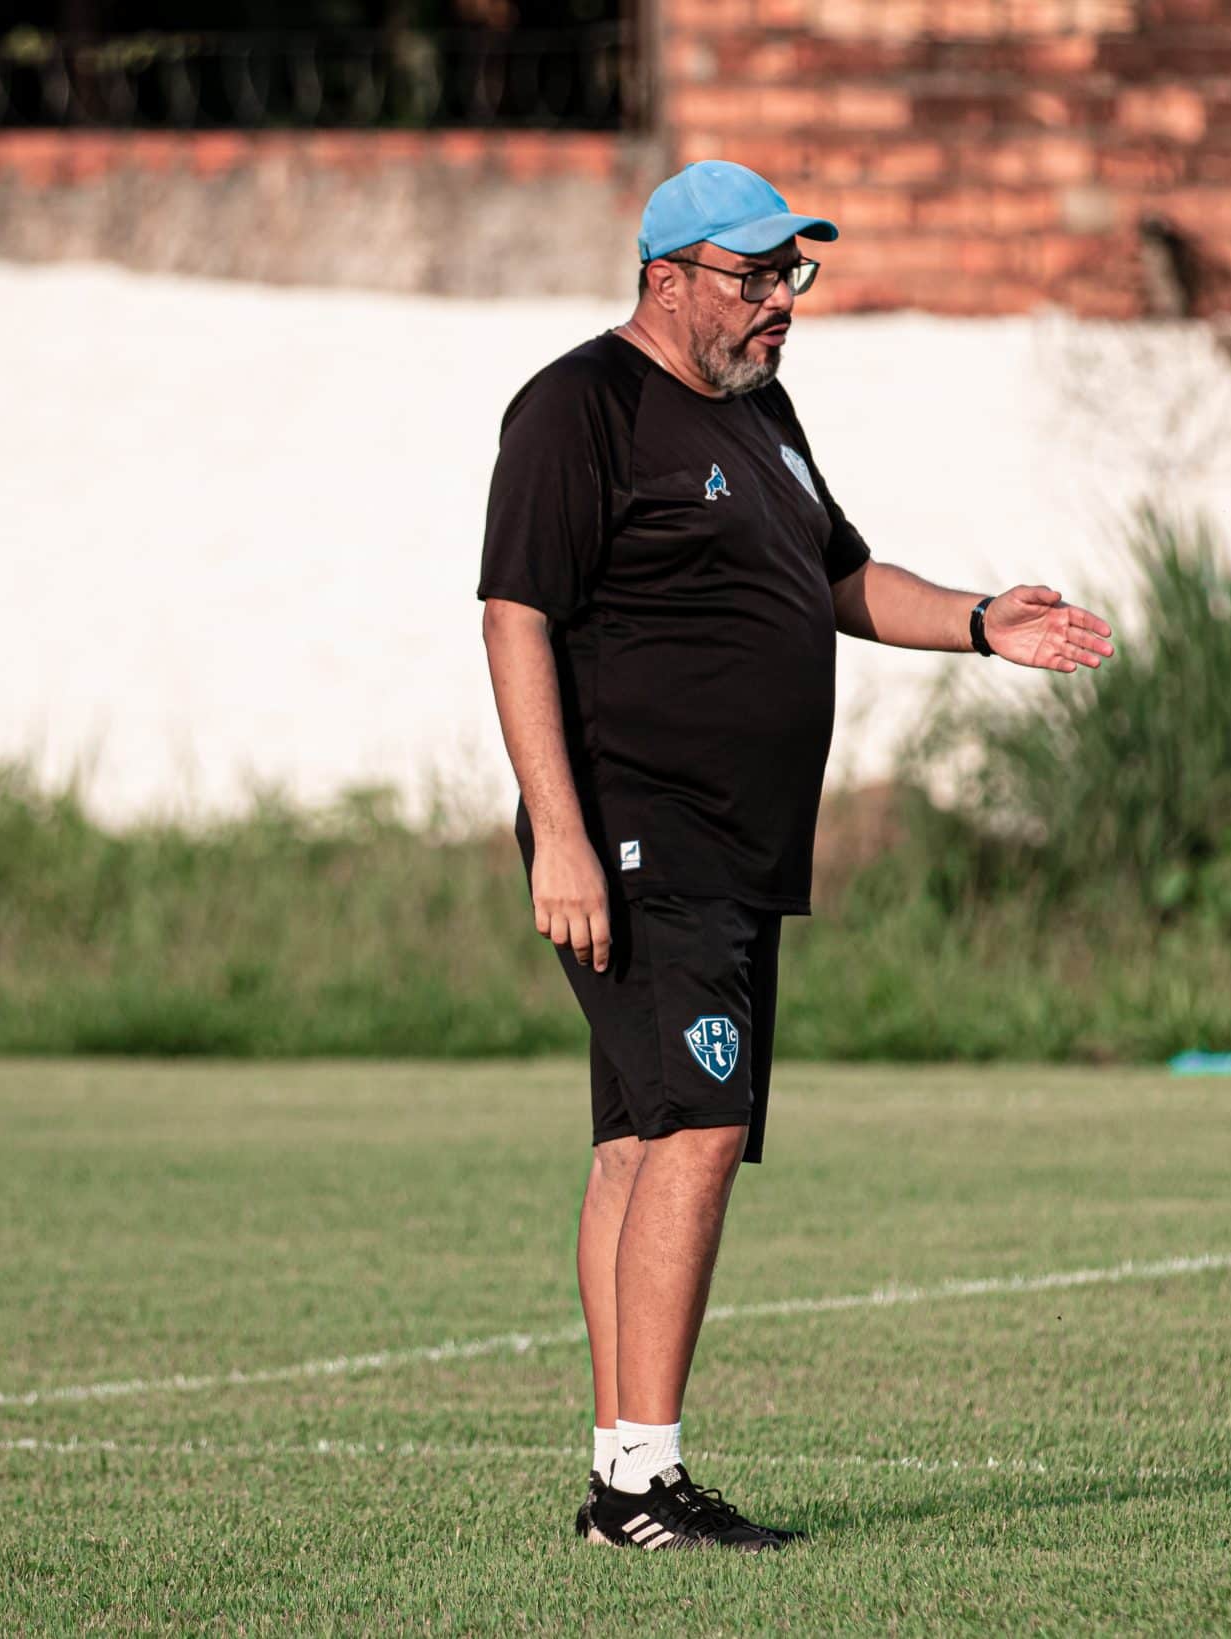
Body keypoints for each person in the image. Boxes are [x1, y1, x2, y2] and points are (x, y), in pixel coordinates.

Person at [477, 160, 1115, 1548]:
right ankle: (640, 1482)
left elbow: (837, 578)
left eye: (792, 276)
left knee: (641, 1139)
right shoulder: (577, 405)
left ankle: (621, 1472)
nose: (781, 303)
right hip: (637, 834)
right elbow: (515, 616)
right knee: (695, 1127)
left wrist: (978, 619)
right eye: (755, 277)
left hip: (736, 845)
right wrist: (565, 838)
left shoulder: (765, 417)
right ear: (667, 278)